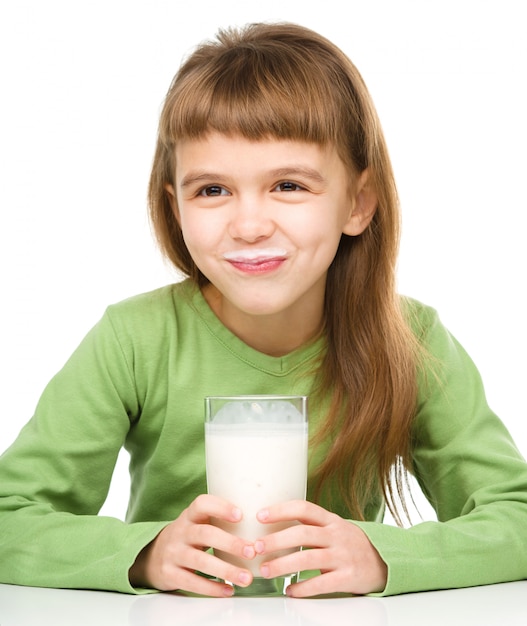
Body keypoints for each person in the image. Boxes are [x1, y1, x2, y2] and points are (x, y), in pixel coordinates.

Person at [0, 22, 526, 599]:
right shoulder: (134, 340)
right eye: (213, 191)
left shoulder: (409, 340)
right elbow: (11, 518)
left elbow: (515, 516)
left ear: (358, 202)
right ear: (175, 207)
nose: (249, 226)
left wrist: (381, 556)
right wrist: (145, 555)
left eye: (289, 185)